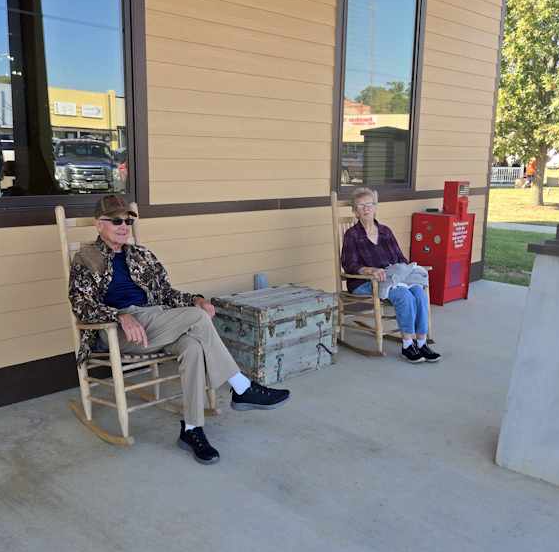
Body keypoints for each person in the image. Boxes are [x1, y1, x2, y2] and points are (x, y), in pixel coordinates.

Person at [68, 195, 290, 465]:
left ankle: (192, 430)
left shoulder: (142, 255)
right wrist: (120, 315)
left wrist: (195, 299)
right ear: (98, 224)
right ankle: (241, 387)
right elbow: (81, 306)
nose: (124, 225)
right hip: (120, 331)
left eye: (127, 220)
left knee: (193, 347)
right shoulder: (86, 258)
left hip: (157, 320)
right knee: (197, 319)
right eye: (116, 220)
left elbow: (166, 293)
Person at [340, 187, 440, 364]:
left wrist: (407, 269)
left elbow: (401, 258)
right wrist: (370, 270)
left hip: (393, 278)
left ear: (375, 207)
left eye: (369, 204)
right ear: (355, 211)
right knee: (403, 296)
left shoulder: (386, 231)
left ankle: (422, 342)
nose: (366, 208)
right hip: (365, 281)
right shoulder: (352, 235)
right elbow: (350, 264)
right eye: (360, 205)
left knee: (418, 291)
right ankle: (408, 345)